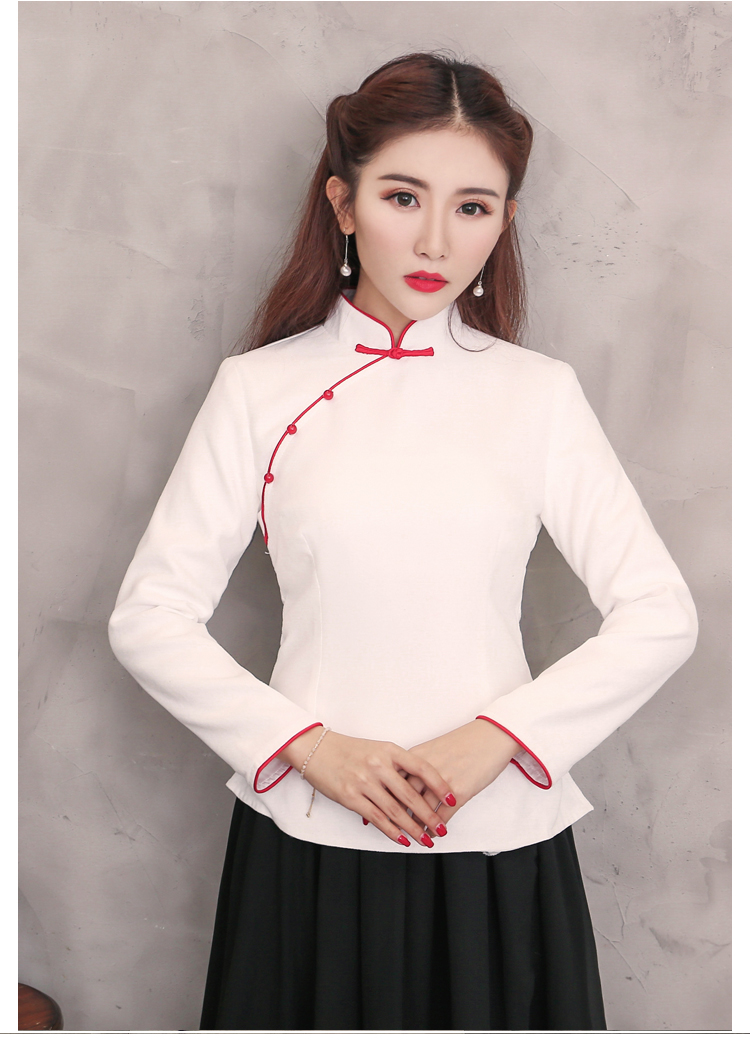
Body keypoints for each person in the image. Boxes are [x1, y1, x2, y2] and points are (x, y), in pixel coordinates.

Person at [108, 53, 698, 1032]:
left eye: (472, 207)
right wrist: (309, 750)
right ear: (343, 203)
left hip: (499, 839)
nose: (434, 239)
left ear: (504, 221)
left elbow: (660, 614)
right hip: (306, 841)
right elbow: (150, 616)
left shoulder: (537, 395)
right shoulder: (258, 390)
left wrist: (495, 742)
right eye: (402, 196)